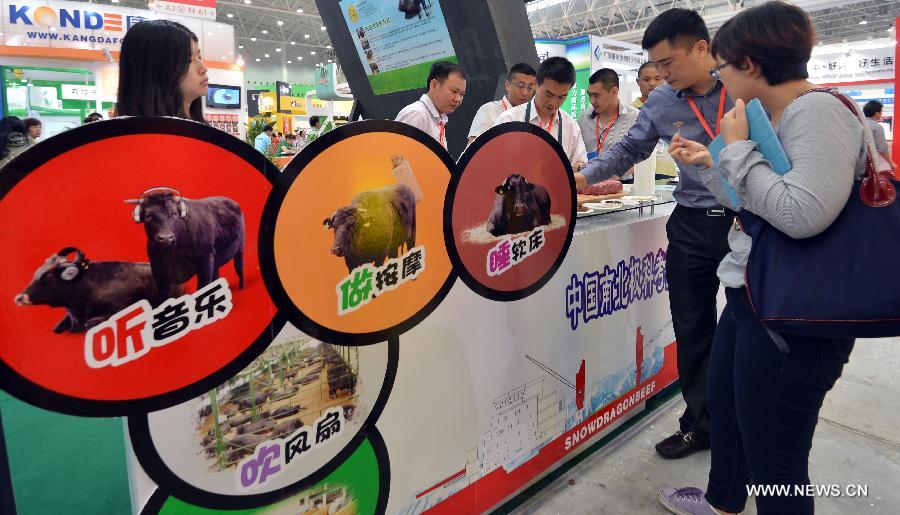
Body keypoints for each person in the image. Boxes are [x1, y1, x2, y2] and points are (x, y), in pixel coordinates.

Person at [659, 3, 860, 514]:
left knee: (777, 463)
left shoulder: (818, 112)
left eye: (724, 67)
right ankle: (724, 501)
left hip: (797, 314)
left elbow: (801, 213)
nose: (721, 79)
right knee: (727, 410)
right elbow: (754, 201)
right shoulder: (777, 117)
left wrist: (734, 149)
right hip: (755, 295)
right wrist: (713, 163)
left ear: (748, 64)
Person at [576, 8, 736, 460]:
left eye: (667, 64)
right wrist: (584, 178)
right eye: (655, 68)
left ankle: (742, 425)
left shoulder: (744, 88)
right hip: (689, 225)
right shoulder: (664, 101)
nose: (660, 77)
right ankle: (699, 424)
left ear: (702, 48)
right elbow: (630, 147)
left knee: (746, 330)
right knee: (692, 327)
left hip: (745, 222)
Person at [493, 57, 587, 171]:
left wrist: (580, 167)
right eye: (548, 94)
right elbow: (494, 162)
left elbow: (579, 162)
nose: (553, 103)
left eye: (561, 97)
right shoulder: (509, 120)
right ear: (536, 84)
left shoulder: (571, 127)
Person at [115, 19, 208, 122]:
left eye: (199, 57)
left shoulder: (202, 132)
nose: (203, 69)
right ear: (156, 72)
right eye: (187, 60)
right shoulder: (146, 136)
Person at [396, 61, 467, 149]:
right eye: (454, 91)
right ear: (434, 85)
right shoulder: (417, 114)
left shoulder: (439, 118)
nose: (458, 99)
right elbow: (398, 155)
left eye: (462, 94)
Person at [467, 62, 537, 144]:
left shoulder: (533, 115)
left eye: (530, 88)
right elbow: (473, 148)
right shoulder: (489, 110)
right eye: (520, 86)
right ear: (507, 85)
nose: (525, 92)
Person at [578, 68, 639, 159]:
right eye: (590, 95)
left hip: (620, 173)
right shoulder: (584, 117)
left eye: (596, 95)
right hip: (587, 173)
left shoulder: (635, 118)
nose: (592, 101)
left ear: (614, 92)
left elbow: (640, 159)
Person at [863, 100, 896, 172]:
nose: (881, 114)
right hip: (870, 164)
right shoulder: (877, 127)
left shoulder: (858, 124)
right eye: (881, 112)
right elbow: (882, 149)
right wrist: (891, 163)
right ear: (877, 113)